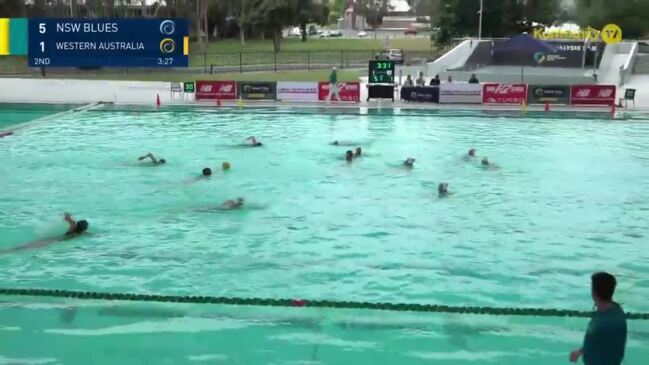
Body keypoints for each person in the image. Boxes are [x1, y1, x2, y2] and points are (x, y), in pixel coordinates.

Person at [570, 272, 627, 365]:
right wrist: (580, 352)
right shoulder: (612, 310)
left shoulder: (606, 324)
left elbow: (610, 353)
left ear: (594, 293)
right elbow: (596, 340)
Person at [0, 213, 89, 254]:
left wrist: (68, 216)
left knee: (24, 246)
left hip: (51, 239)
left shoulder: (74, 228)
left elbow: (69, 220)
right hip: (51, 241)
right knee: (24, 248)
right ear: (84, 229)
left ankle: (3, 251)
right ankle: (3, 252)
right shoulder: (77, 233)